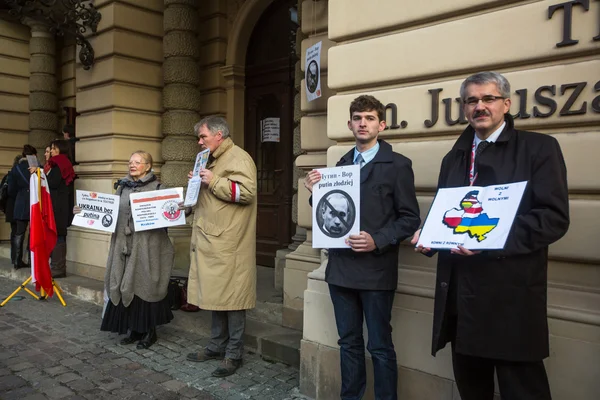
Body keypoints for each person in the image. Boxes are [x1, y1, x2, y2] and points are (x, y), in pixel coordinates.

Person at [411, 71, 569, 400]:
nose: (479, 106)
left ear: (506, 104)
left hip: (510, 299)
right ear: (464, 108)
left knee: (524, 391)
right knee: (472, 389)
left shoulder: (539, 149)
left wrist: (488, 240)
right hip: (460, 299)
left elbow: (553, 218)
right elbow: (450, 214)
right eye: (471, 100)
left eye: (488, 99)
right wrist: (429, 236)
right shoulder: (453, 157)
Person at [304, 95, 421, 400]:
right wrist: (314, 192)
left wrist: (377, 239)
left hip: (376, 271)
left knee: (380, 346)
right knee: (348, 343)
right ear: (350, 124)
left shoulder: (398, 165)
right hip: (340, 269)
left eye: (369, 118)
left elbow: (410, 219)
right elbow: (328, 213)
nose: (362, 124)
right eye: (357, 118)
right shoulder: (340, 165)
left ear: (381, 125)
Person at [184, 116, 257, 378]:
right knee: (216, 295)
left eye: (203, 136)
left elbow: (247, 192)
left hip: (230, 242)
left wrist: (213, 180)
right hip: (213, 239)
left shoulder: (238, 157)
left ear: (219, 135)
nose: (199, 141)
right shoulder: (211, 158)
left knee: (233, 299)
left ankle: (233, 354)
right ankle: (216, 345)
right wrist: (196, 184)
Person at [90, 150, 175, 349]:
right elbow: (109, 211)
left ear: (148, 166)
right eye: (130, 162)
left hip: (147, 248)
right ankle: (134, 329)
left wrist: (182, 208)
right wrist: (86, 210)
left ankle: (149, 331)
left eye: (137, 162)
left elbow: (170, 209)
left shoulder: (158, 187)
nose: (132, 165)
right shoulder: (122, 187)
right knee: (124, 283)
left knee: (145, 285)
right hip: (123, 247)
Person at [46, 140, 76, 278]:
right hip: (61, 206)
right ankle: (57, 267)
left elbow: (52, 182)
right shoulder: (63, 162)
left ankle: (57, 268)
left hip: (57, 206)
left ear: (60, 149)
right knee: (59, 235)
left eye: (54, 148)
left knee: (58, 235)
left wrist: (41, 174)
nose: (51, 151)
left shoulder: (58, 163)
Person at [7, 145, 38, 270]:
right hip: (34, 201)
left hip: (20, 202)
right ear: (33, 155)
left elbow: (11, 190)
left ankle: (17, 260)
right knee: (33, 233)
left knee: (19, 233)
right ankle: (32, 260)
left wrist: (20, 194)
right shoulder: (37, 167)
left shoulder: (16, 168)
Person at [3, 155, 22, 267]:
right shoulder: (16, 176)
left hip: (10, 208)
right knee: (17, 232)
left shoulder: (9, 175)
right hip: (15, 207)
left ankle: (14, 257)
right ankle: (16, 258)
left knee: (14, 232)